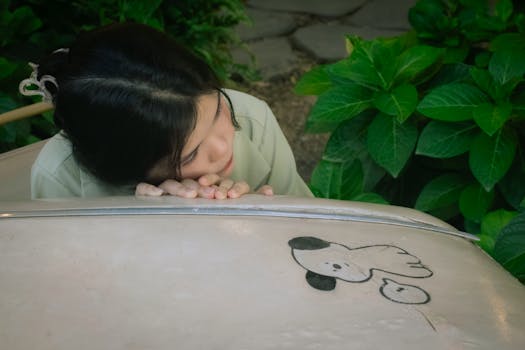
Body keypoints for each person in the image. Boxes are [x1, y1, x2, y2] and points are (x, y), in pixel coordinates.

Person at [25, 23, 312, 199]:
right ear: (129, 167)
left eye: (217, 111)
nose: (223, 146)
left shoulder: (251, 118)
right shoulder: (60, 179)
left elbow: (310, 229)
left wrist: (262, 216)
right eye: (190, 154)